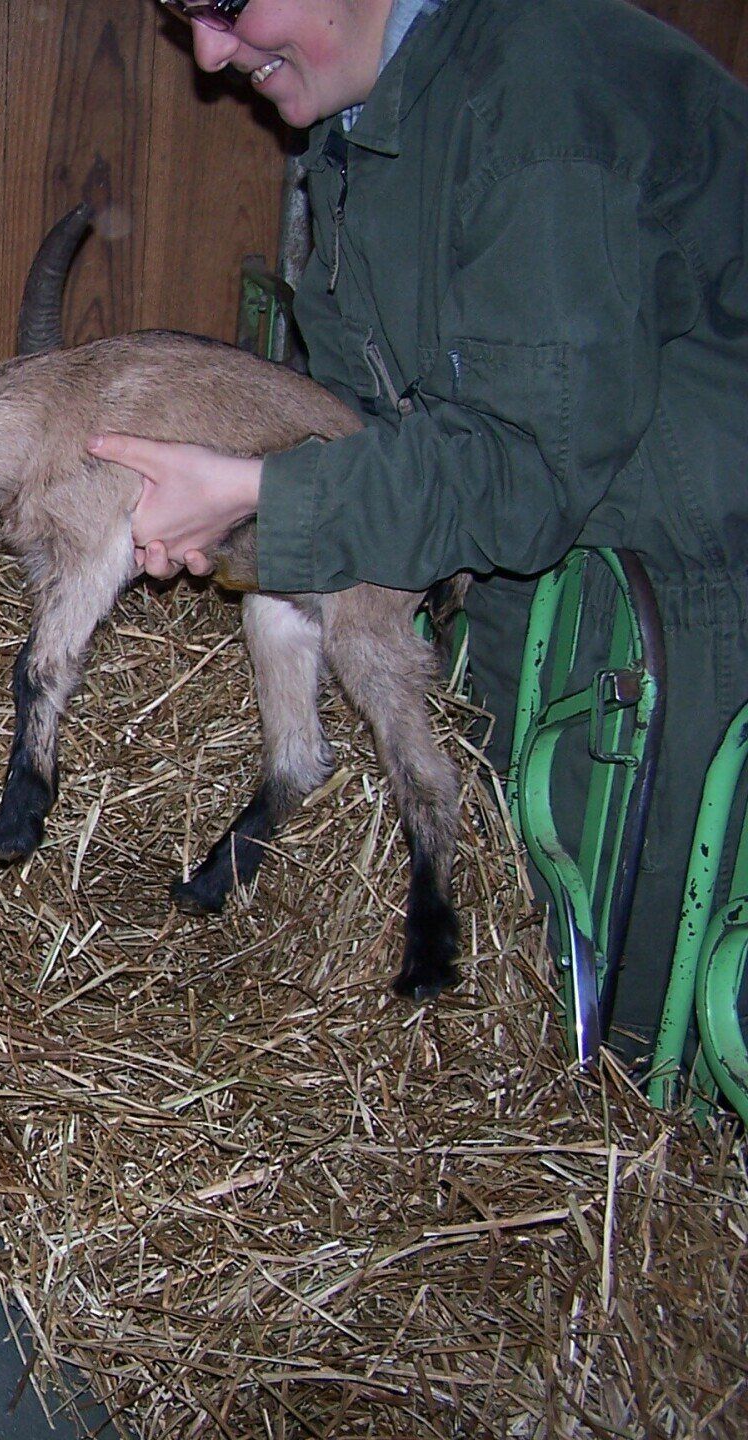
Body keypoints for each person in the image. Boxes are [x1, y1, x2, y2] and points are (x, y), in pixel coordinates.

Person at [97, 0, 748, 1057]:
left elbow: (527, 466)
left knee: (642, 1041)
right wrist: (242, 499)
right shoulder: (366, 127)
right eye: (186, 20)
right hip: (551, 623)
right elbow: (363, 416)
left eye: (224, 3)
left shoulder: (539, 103)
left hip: (692, 639)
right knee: (533, 975)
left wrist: (267, 497)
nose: (210, 56)